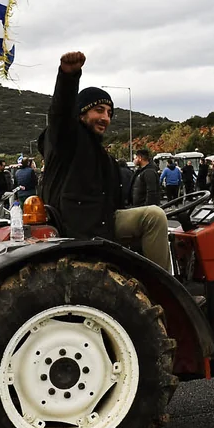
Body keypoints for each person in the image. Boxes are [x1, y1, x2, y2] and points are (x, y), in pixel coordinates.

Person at [37, 51, 169, 269]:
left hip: (100, 222)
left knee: (155, 216)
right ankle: (167, 291)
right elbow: (60, 112)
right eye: (99, 110)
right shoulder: (69, 139)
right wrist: (69, 77)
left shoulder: (100, 154)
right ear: (80, 113)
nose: (105, 118)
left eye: (109, 113)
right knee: (154, 217)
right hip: (83, 229)